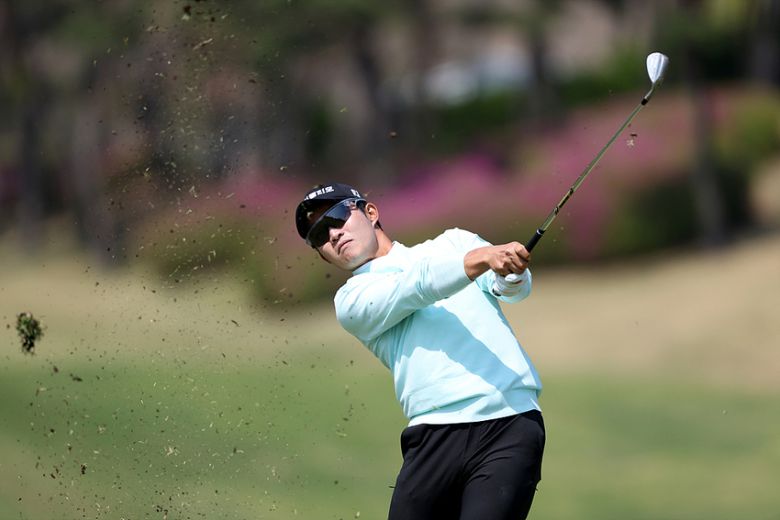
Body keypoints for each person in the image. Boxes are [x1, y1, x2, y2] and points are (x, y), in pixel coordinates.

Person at [295, 182, 545, 520]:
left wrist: (512, 273)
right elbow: (417, 286)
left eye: (337, 217)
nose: (333, 234)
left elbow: (511, 290)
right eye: (319, 236)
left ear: (371, 212)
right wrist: (483, 258)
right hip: (431, 439)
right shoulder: (351, 301)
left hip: (509, 423)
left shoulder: (455, 243)